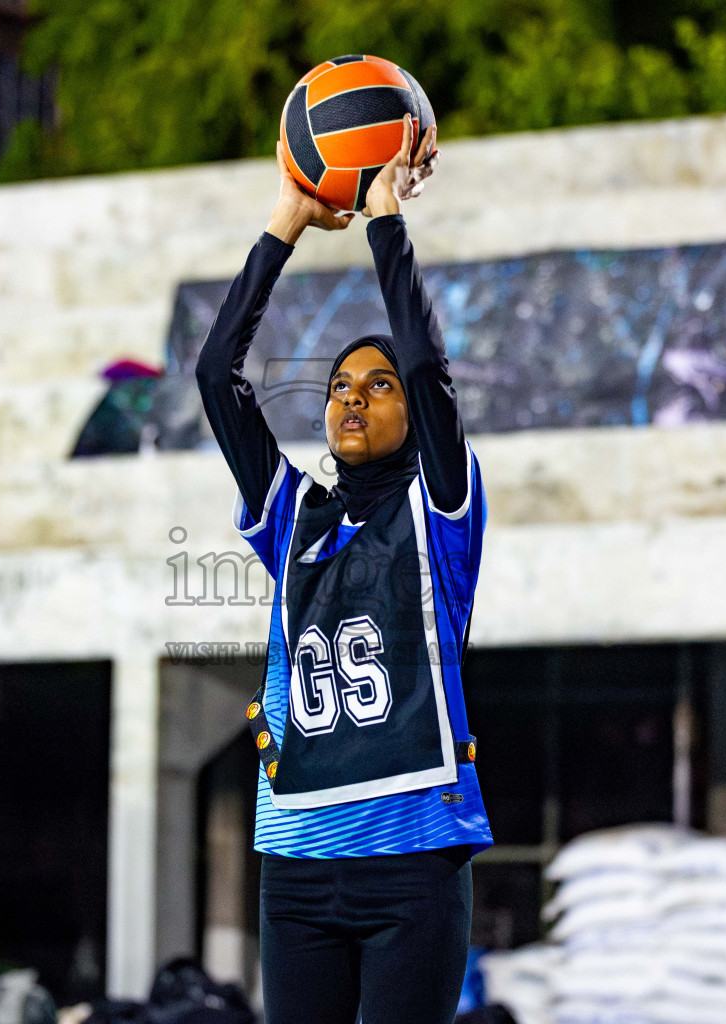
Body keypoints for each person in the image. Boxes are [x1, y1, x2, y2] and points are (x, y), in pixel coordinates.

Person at [194, 116, 492, 1024]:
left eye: (379, 384)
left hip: (411, 861)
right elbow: (217, 375)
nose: (352, 396)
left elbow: (432, 367)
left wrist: (384, 219)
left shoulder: (442, 509)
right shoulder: (291, 518)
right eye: (337, 388)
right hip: (295, 866)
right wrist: (286, 218)